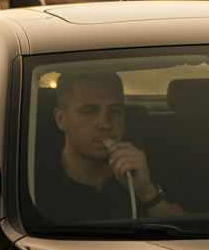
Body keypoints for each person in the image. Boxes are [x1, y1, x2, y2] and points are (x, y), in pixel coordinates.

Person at [35, 70, 184, 222]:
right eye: (90, 112)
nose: (105, 123)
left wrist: (147, 192)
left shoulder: (145, 169)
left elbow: (186, 230)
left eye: (115, 111)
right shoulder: (33, 177)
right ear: (61, 120)